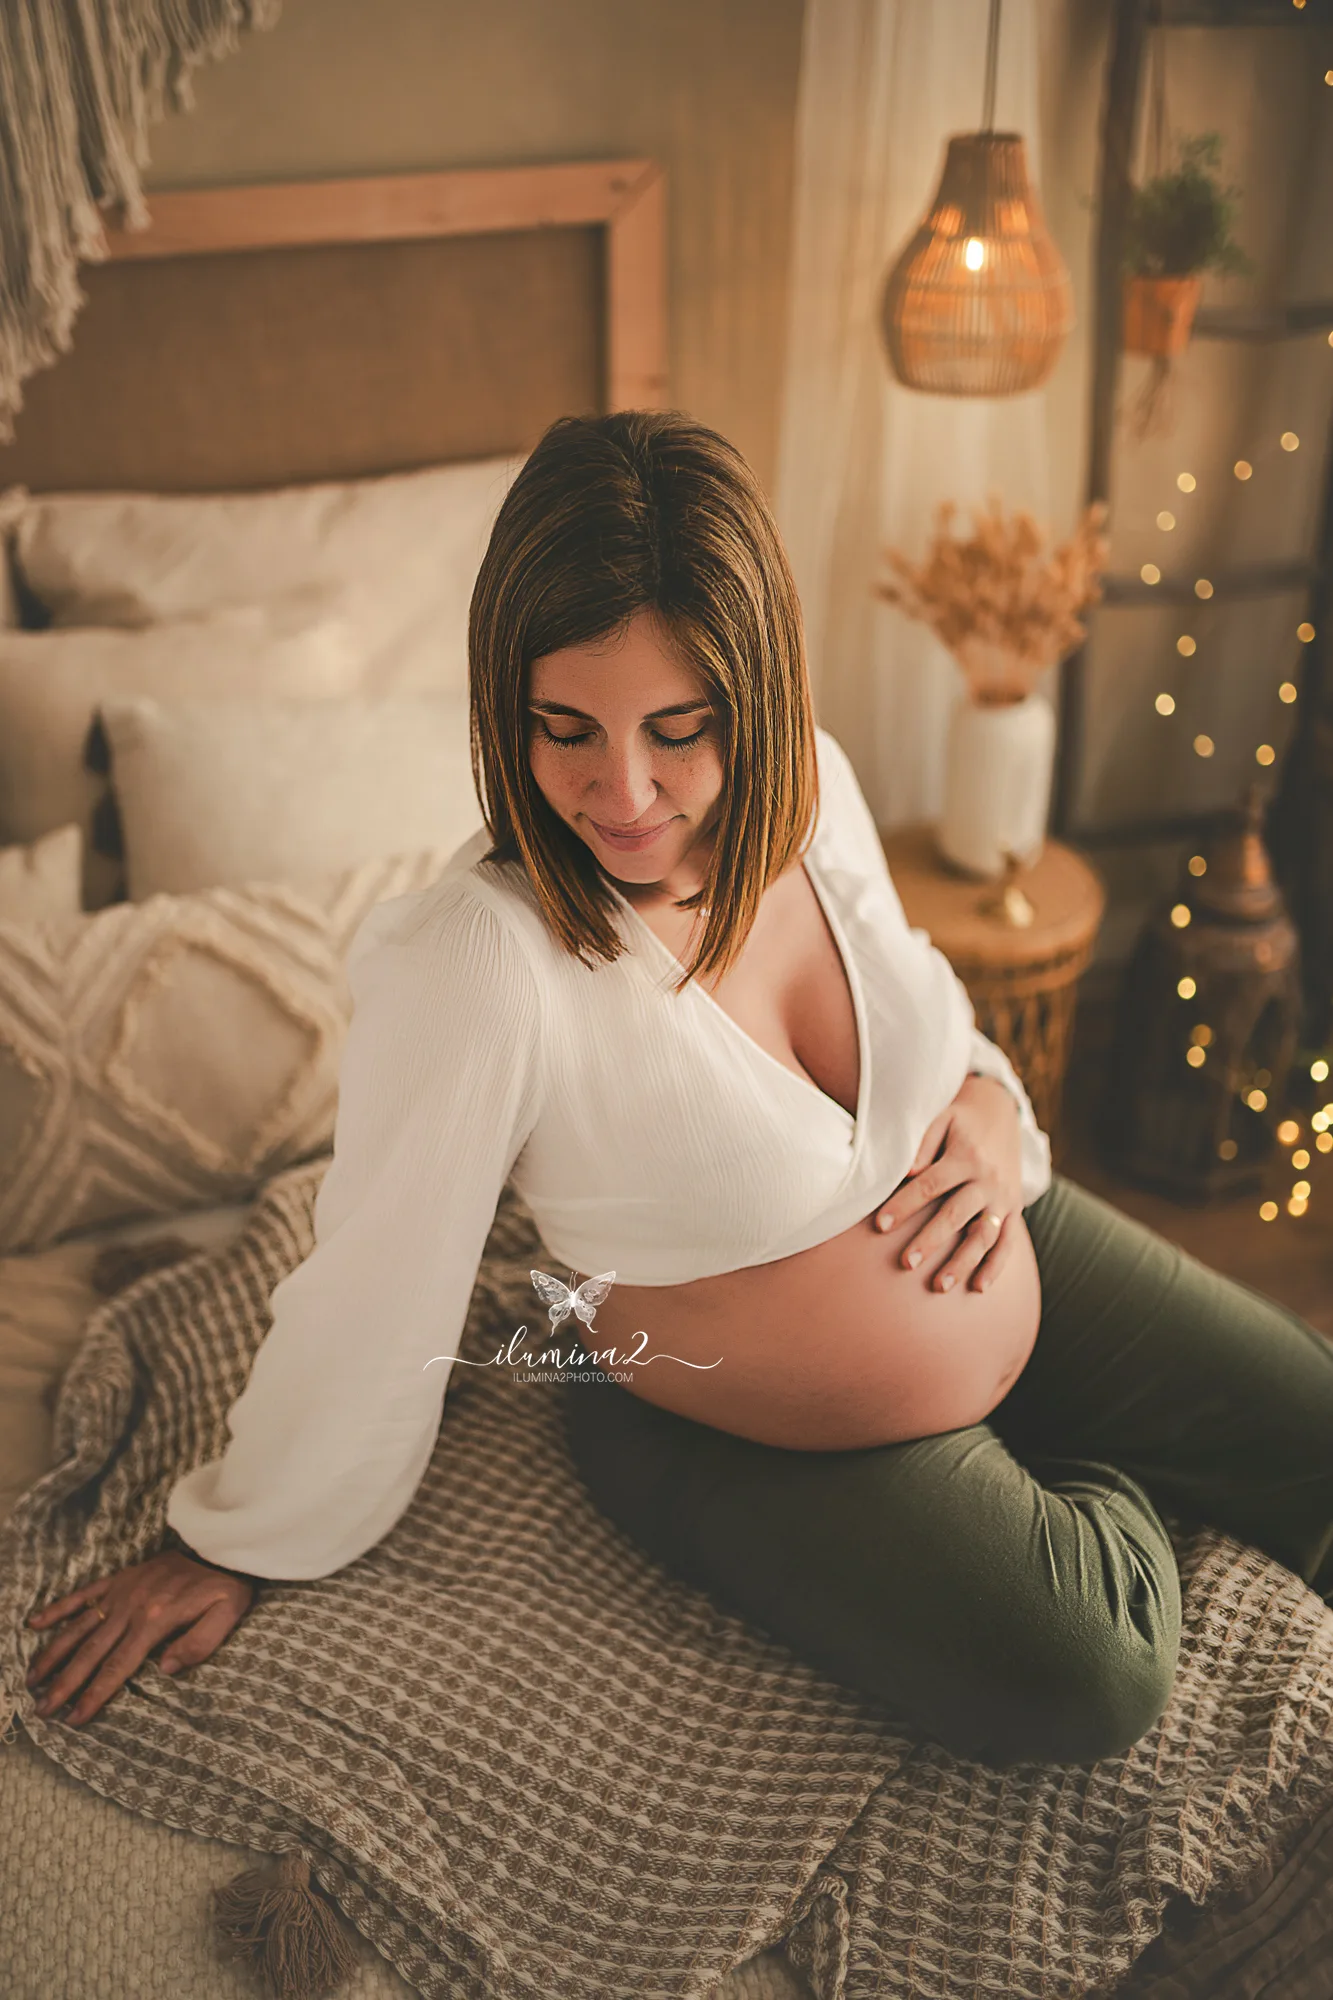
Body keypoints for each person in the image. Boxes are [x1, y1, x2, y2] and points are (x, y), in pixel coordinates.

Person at [25, 411, 1333, 1770]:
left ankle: (1019, 1412)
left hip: (983, 1213)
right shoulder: (485, 960)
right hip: (720, 1424)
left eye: (678, 729)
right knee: (1089, 1672)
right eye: (564, 728)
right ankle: (1057, 1444)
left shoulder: (811, 791)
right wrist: (236, 1540)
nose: (625, 793)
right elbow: (377, 1276)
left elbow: (922, 1004)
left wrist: (994, 1113)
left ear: (753, 696)